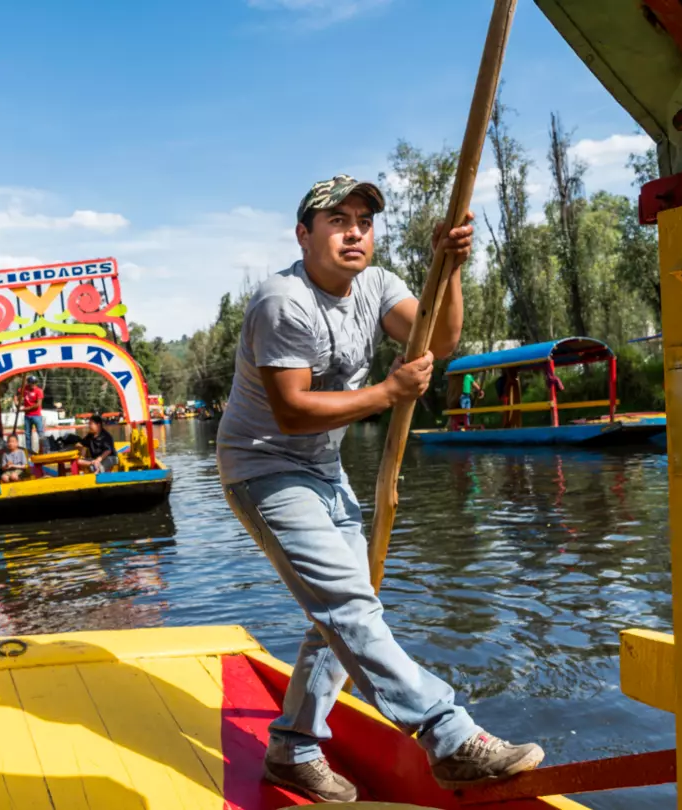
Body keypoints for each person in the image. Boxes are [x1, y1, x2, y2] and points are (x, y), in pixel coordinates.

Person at [216, 174, 543, 803]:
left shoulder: (378, 283)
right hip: (264, 467)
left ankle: (291, 747)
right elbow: (291, 410)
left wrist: (446, 270)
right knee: (348, 607)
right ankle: (449, 737)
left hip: (323, 469)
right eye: (337, 220)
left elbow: (439, 341)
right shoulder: (283, 302)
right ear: (303, 234)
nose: (354, 231)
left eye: (363, 220)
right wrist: (390, 394)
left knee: (341, 613)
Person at [18, 375, 46, 454]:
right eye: (31, 383)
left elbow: (38, 404)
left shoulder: (39, 391)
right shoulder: (24, 388)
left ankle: (43, 451)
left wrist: (25, 409)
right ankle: (29, 452)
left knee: (40, 433)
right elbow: (17, 394)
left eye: (34, 383)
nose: (33, 384)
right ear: (28, 383)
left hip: (36, 415)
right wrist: (16, 402)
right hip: (27, 416)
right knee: (27, 434)